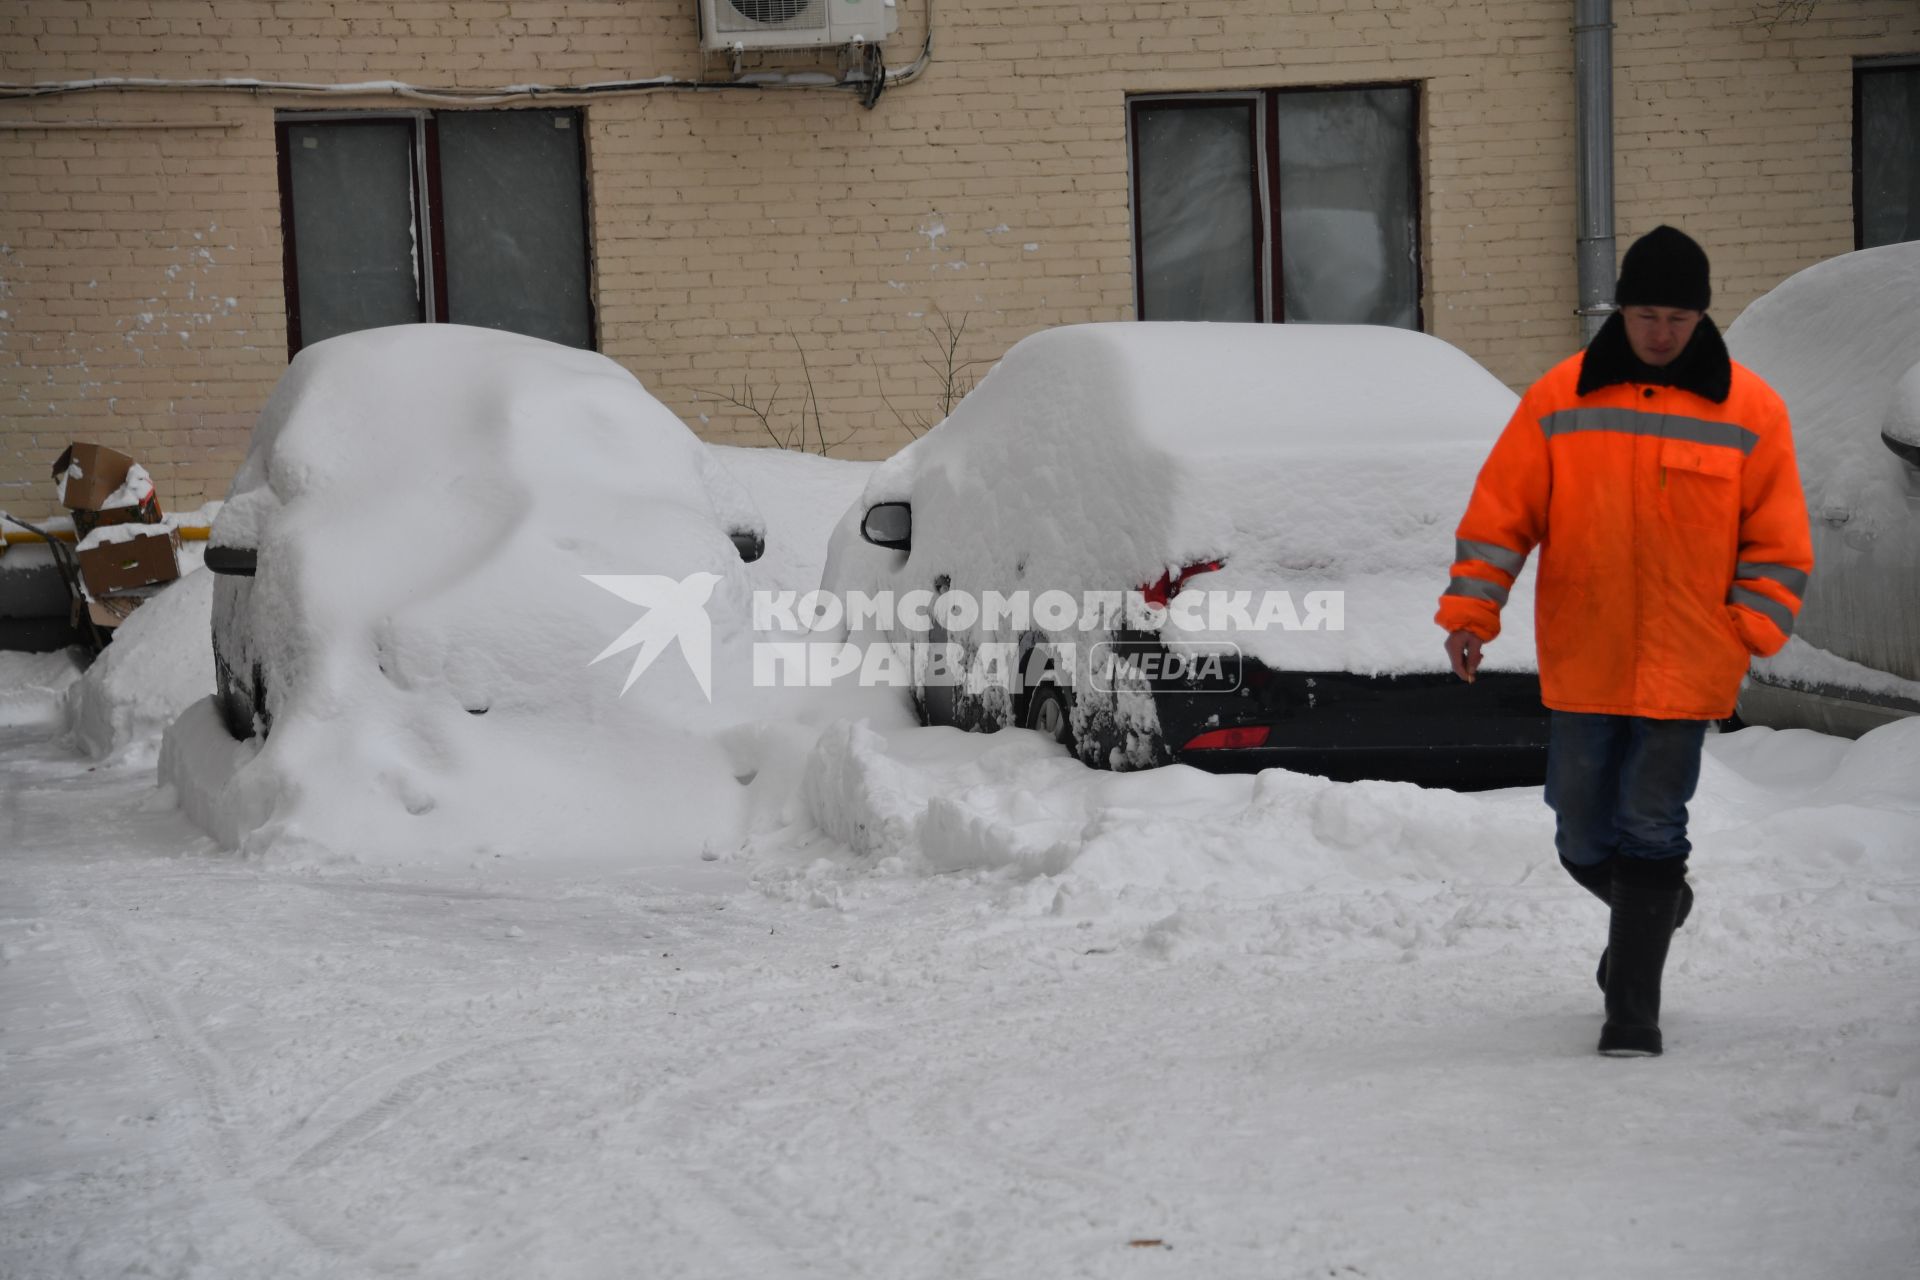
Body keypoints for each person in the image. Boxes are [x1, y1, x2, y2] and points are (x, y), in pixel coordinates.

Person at [1436, 225, 1813, 1057]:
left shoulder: (1750, 408)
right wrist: (1471, 613)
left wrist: (1747, 625)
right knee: (1579, 828)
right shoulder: (1561, 397)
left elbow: (1779, 540)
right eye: (1646, 314)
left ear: (1702, 318)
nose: (1661, 333)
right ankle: (1657, 910)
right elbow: (1502, 517)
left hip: (1690, 660)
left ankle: (1632, 1009)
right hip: (1586, 653)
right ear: (1622, 311)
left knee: (1652, 823)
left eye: (1678, 317)